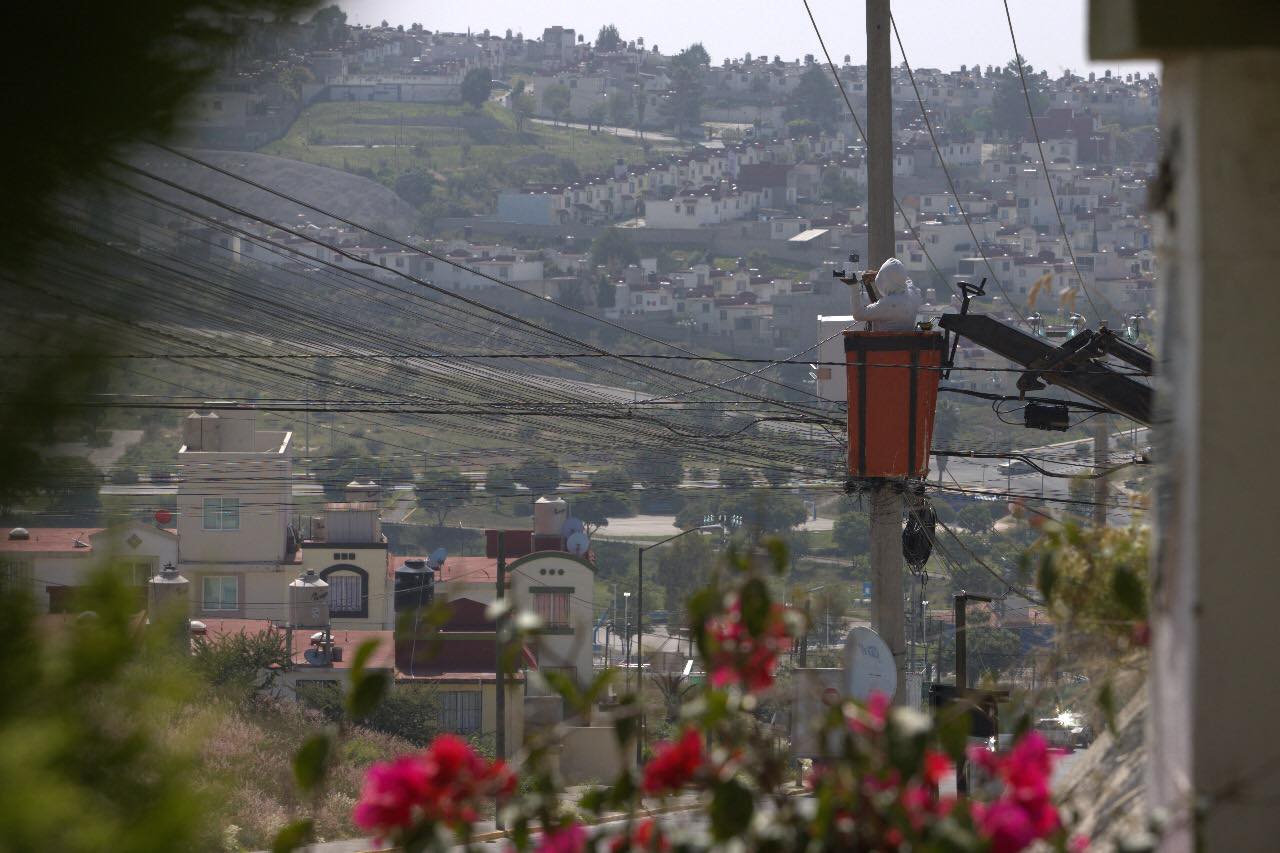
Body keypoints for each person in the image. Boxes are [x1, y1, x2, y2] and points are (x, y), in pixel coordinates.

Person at [852, 257, 922, 331]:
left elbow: (858, 314)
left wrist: (853, 285)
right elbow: (905, 279)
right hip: (908, 341)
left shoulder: (887, 303)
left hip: (881, 342)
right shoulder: (914, 295)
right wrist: (880, 274)